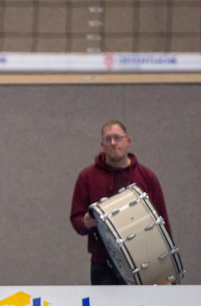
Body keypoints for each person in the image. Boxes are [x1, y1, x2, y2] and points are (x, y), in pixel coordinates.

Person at [69, 120, 172, 285]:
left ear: (128, 142)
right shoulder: (87, 177)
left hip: (146, 263)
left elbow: (162, 222)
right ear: (102, 145)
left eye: (117, 138)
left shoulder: (147, 176)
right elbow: (77, 220)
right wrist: (86, 222)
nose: (113, 143)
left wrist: (168, 268)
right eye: (108, 139)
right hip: (103, 266)